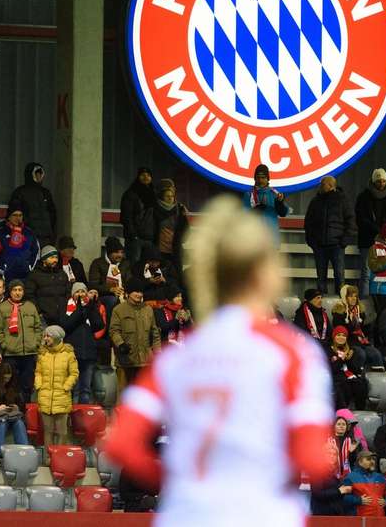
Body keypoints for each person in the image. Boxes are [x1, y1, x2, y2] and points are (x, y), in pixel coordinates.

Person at [103, 195, 335, 527]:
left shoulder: (179, 355)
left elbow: (121, 442)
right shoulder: (293, 353)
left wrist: (178, 478)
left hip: (187, 515)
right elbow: (314, 459)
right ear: (266, 274)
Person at [304, 175, 354, 295]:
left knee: (339, 276)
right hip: (320, 245)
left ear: (331, 186)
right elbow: (308, 222)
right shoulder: (315, 201)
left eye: (322, 184)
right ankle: (321, 305)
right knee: (321, 278)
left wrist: (344, 241)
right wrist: (312, 242)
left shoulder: (342, 200)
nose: (320, 187)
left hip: (337, 245)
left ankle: (341, 305)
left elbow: (351, 221)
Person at [0, 279, 42, 404]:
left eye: (20, 290)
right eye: (14, 290)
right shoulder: (2, 308)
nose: (17, 293)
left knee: (27, 386)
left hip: (29, 354)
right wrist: (6, 346)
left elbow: (38, 328)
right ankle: (12, 410)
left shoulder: (30, 307)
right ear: (10, 292)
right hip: (11, 354)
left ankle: (25, 411)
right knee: (11, 385)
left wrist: (35, 343)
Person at [355, 168, 386, 296]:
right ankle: (365, 301)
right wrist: (378, 230)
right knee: (366, 274)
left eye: (383, 181)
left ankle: (383, 299)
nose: (381, 184)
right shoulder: (363, 198)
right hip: (367, 240)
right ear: (373, 181)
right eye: (378, 181)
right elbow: (361, 219)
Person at [109, 277, 161, 384]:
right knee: (124, 395)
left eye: (141, 291)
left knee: (143, 396)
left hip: (145, 362)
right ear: (128, 293)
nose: (139, 294)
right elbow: (114, 331)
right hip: (125, 361)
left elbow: (155, 333)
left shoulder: (148, 309)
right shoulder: (118, 310)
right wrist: (121, 344)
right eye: (136, 291)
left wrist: (158, 352)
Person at [61, 283, 105, 404]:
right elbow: (66, 326)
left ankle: (84, 419)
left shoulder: (90, 307)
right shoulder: (66, 307)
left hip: (89, 354)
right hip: (72, 354)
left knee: (85, 389)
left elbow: (98, 326)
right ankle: (74, 418)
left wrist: (91, 309)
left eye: (83, 291)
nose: (80, 294)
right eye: (77, 292)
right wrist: (79, 310)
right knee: (74, 389)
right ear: (72, 294)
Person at [35, 325, 78, 445]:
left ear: (57, 337)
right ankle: (48, 459)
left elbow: (74, 373)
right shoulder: (42, 354)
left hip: (62, 397)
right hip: (45, 397)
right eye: (45, 335)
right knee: (47, 431)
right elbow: (38, 372)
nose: (45, 338)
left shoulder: (68, 354)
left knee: (62, 432)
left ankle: (60, 458)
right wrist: (39, 386)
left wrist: (66, 387)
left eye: (48, 336)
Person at [332, 284, 382, 369]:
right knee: (360, 354)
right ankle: (357, 376)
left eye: (355, 296)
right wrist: (350, 323)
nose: (354, 299)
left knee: (375, 353)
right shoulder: (339, 313)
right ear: (345, 297)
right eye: (350, 296)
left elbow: (362, 329)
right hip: (348, 343)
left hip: (361, 341)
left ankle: (378, 377)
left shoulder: (360, 311)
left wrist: (370, 327)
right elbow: (340, 334)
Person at [8, 162, 56, 246]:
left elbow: (52, 214)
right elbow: (14, 214)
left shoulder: (46, 192)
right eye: (36, 174)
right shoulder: (20, 192)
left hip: (46, 237)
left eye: (40, 174)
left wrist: (51, 233)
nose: (39, 176)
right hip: (27, 235)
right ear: (30, 175)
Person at [0, 204, 40, 282]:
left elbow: (36, 251)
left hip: (25, 274)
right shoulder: (0, 233)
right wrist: (1, 269)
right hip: (6, 275)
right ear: (9, 217)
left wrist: (30, 267)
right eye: (15, 215)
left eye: (20, 215)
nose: (18, 218)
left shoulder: (29, 233)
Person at [24, 245, 70, 325]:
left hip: (63, 317)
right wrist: (39, 312)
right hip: (43, 319)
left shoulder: (62, 274)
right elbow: (29, 295)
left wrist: (65, 309)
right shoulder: (34, 275)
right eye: (51, 257)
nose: (55, 260)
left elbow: (68, 292)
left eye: (56, 257)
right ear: (44, 259)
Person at [120, 168, 158, 264]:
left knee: (148, 267)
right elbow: (126, 216)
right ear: (138, 177)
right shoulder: (131, 194)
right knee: (134, 266)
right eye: (143, 175)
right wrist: (133, 235)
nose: (146, 177)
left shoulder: (154, 194)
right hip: (135, 239)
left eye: (148, 175)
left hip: (150, 238)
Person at [326, 326, 367, 410]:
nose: (341, 337)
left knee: (362, 383)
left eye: (344, 335)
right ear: (334, 337)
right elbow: (331, 369)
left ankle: (360, 410)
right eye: (338, 335)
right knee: (343, 384)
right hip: (335, 377)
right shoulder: (329, 350)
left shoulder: (351, 350)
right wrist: (341, 359)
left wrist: (349, 359)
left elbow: (355, 369)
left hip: (349, 375)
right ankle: (343, 412)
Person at [88, 236, 131, 312]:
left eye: (121, 252)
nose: (120, 255)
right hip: (105, 295)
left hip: (123, 294)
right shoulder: (98, 263)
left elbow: (129, 280)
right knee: (112, 300)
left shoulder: (125, 263)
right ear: (109, 253)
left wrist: (126, 291)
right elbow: (93, 284)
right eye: (116, 252)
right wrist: (110, 289)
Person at [341, 450, 386, 517]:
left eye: (373, 459)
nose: (372, 462)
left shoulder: (380, 477)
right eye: (368, 459)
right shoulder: (351, 477)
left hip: (379, 519)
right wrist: (358, 500)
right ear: (360, 462)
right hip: (359, 520)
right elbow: (343, 498)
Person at [153, 179, 190, 264]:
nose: (170, 197)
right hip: (159, 247)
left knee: (177, 271)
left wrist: (181, 238)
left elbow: (185, 227)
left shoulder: (179, 208)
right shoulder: (154, 208)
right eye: (167, 196)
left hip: (175, 246)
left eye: (172, 195)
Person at [246, 163, 290, 231]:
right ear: (255, 178)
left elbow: (283, 213)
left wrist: (280, 203)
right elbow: (242, 215)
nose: (260, 180)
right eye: (258, 177)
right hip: (253, 234)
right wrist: (254, 211)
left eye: (263, 177)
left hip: (271, 234)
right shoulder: (248, 194)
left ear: (268, 178)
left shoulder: (275, 193)